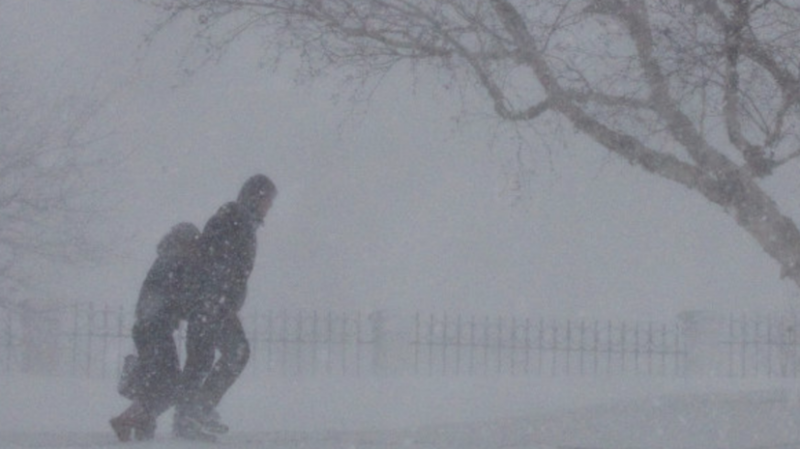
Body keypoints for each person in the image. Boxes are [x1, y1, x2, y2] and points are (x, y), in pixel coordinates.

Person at [173, 174, 277, 441]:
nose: (270, 207)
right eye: (268, 200)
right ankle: (190, 415)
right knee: (210, 355)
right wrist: (214, 296)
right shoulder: (233, 219)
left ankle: (198, 410)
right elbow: (213, 260)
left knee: (222, 354)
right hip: (211, 301)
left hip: (217, 302)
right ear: (255, 197)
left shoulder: (241, 221)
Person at [109, 222, 202, 442]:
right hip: (156, 328)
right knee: (170, 384)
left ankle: (143, 421)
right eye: (194, 243)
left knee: (155, 381)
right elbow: (179, 297)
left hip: (147, 327)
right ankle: (127, 419)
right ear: (187, 242)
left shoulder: (165, 258)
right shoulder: (175, 261)